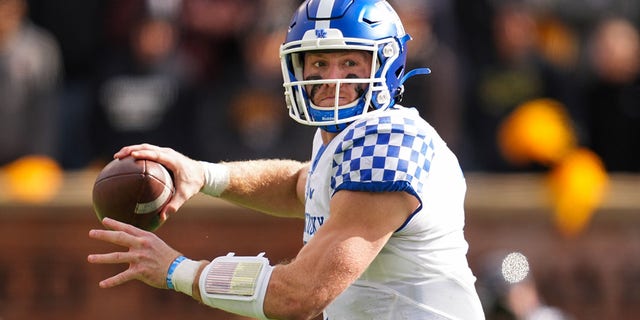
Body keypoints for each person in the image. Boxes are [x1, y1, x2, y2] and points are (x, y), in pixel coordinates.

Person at [87, 1, 485, 319]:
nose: (332, 80)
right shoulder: (342, 137)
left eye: (350, 63)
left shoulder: (388, 143)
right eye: (319, 63)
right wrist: (204, 174)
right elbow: (301, 184)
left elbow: (300, 294)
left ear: (387, 64)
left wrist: (178, 271)